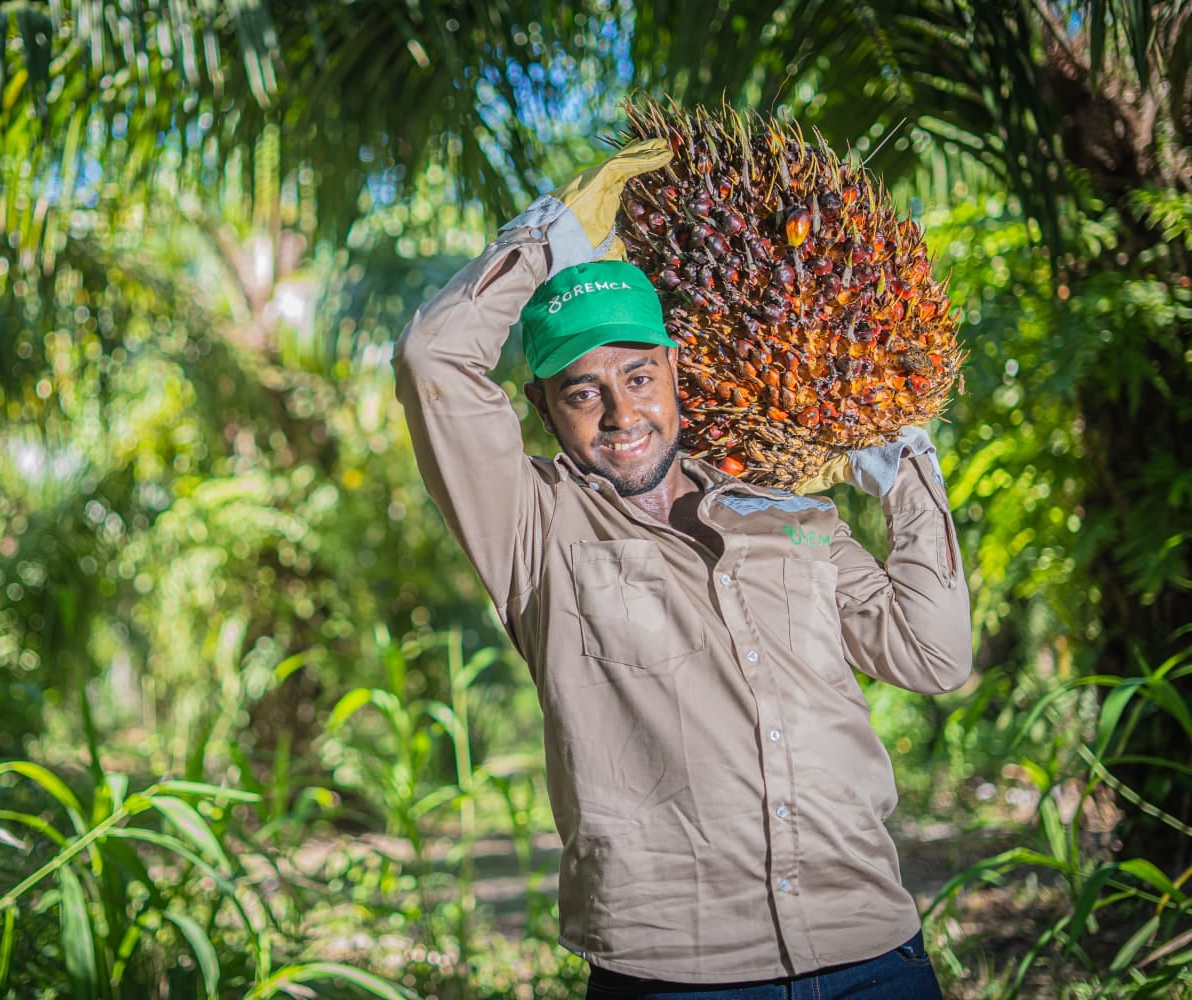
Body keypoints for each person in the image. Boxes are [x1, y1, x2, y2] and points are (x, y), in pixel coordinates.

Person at [391, 139, 973, 998]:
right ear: (544, 409)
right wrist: (545, 239)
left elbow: (933, 653)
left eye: (638, 375)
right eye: (583, 392)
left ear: (676, 374)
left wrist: (901, 467)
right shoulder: (536, 533)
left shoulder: (793, 518)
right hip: (678, 976)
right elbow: (432, 361)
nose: (622, 413)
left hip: (875, 954)